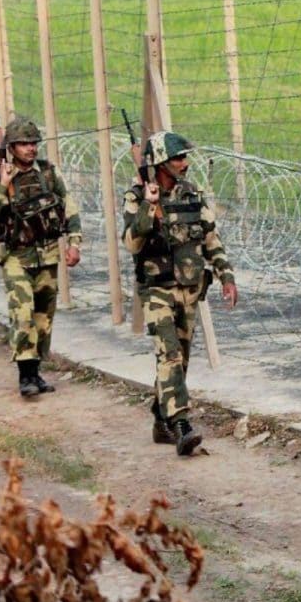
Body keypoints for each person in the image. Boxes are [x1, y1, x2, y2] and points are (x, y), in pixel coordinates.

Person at [122, 131, 236, 456]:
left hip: (189, 288)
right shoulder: (136, 196)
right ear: (161, 163)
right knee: (169, 355)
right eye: (178, 159)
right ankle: (181, 424)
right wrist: (149, 206)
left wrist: (226, 275)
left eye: (185, 158)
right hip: (157, 289)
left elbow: (210, 238)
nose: (185, 164)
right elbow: (131, 243)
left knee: (180, 360)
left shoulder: (191, 193)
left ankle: (162, 419)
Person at [0, 116, 82, 398]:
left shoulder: (49, 173)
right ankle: (25, 375)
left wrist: (74, 242)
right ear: (11, 147)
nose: (30, 148)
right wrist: (3, 186)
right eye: (23, 144)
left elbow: (68, 206)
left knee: (44, 318)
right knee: (23, 315)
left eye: (33, 143)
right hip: (17, 257)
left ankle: (36, 370)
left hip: (47, 255)